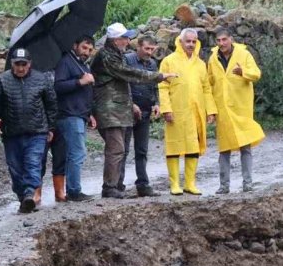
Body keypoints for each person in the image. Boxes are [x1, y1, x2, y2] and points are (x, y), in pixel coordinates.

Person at [92, 23, 174, 199]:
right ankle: (110, 187)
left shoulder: (115, 54)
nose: (127, 41)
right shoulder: (108, 57)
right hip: (110, 109)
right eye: (124, 38)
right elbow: (128, 74)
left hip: (120, 109)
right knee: (117, 149)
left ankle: (116, 185)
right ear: (116, 40)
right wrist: (158, 76)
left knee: (121, 149)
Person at [0, 48, 58, 214]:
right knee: (15, 169)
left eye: (23, 64)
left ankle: (29, 194)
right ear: (11, 64)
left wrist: (51, 127)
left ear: (29, 64)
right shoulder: (2, 80)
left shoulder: (42, 79)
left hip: (37, 131)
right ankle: (23, 198)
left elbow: (51, 105)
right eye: (17, 64)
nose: (20, 68)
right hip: (11, 133)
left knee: (33, 163)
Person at [159, 28, 217, 196]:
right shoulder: (169, 61)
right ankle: (175, 183)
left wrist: (210, 111)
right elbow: (162, 86)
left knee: (194, 146)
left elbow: (206, 89)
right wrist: (166, 109)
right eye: (188, 41)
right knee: (174, 146)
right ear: (181, 41)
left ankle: (190, 183)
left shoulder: (200, 64)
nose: (191, 44)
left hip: (195, 113)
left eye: (194, 41)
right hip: (176, 111)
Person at [207, 27, 264, 193]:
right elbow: (209, 84)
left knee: (245, 147)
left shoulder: (244, 55)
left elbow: (256, 74)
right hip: (223, 109)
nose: (221, 43)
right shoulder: (213, 59)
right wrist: (210, 109)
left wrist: (243, 72)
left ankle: (248, 183)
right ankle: (224, 186)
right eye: (218, 41)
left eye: (224, 39)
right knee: (224, 149)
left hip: (241, 108)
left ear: (231, 39)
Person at [54, 34, 97, 202]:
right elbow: (57, 86)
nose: (86, 52)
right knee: (77, 153)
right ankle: (73, 191)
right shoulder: (66, 61)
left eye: (90, 50)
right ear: (75, 45)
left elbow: (85, 95)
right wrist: (80, 82)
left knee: (75, 153)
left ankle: (73, 189)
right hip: (69, 115)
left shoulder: (82, 65)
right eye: (84, 48)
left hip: (80, 115)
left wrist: (89, 114)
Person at [119, 34, 161, 197]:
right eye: (146, 49)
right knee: (123, 149)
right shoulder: (128, 60)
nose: (149, 52)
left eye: (152, 49)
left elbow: (155, 85)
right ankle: (118, 185)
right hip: (128, 112)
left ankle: (143, 184)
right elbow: (123, 84)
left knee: (142, 150)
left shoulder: (152, 63)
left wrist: (156, 103)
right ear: (138, 47)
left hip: (145, 112)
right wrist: (131, 104)